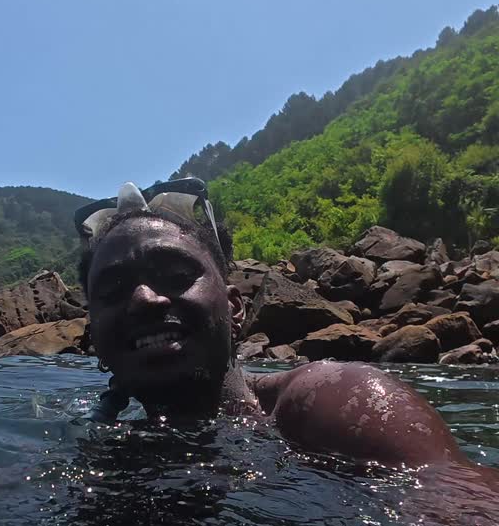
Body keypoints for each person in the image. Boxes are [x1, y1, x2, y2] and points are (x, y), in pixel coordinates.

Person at [76, 180, 496, 477]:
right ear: (94, 336)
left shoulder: (336, 401)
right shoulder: (107, 448)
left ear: (235, 309)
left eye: (175, 275)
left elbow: (467, 525)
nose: (143, 299)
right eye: (112, 290)